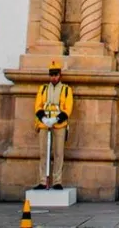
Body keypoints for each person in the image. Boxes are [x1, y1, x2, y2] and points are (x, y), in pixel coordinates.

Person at [33, 60, 73, 190]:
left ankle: (57, 181)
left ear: (60, 75)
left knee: (58, 153)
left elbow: (68, 108)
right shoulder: (43, 89)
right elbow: (38, 105)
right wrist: (44, 118)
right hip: (44, 124)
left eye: (56, 75)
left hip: (59, 124)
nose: (54, 77)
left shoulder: (66, 90)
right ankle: (42, 181)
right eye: (51, 75)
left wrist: (56, 119)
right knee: (43, 153)